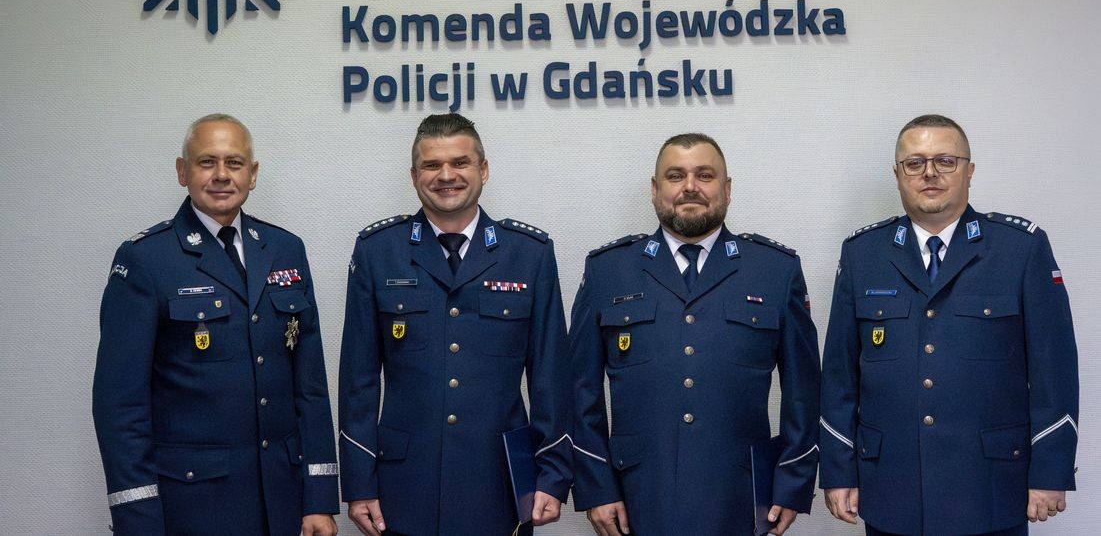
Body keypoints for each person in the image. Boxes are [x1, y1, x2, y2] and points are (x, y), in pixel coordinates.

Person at [819, 114, 1079, 535]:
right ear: (897, 175)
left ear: (969, 171)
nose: (930, 173)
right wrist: (838, 469)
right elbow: (838, 377)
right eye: (915, 163)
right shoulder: (862, 254)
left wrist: (1051, 469)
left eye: (945, 161)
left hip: (991, 488)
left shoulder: (1020, 249)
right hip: (892, 489)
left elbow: (1055, 370)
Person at [92, 114, 339, 535]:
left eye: (234, 163)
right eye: (207, 162)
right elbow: (120, 406)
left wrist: (318, 498)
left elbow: (310, 385)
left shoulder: (285, 249)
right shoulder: (146, 259)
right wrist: (138, 521)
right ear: (182, 171)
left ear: (253, 174)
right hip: (193, 506)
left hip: (281, 501)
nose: (222, 175)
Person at [569, 133, 820, 536]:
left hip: (740, 494)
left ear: (727, 188)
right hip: (637, 495)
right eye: (675, 176)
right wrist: (596, 486)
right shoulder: (608, 270)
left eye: (705, 175)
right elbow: (579, 391)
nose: (690, 186)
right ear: (655, 189)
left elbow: (804, 391)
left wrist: (792, 482)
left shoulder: (775, 270)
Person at [338, 113, 571, 536]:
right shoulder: (378, 251)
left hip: (500, 488)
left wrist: (553, 473)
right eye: (431, 165)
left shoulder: (529, 253)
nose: (446, 175)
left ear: (483, 169)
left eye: (460, 163)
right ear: (414, 176)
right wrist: (358, 483)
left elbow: (550, 377)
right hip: (402, 489)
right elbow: (358, 381)